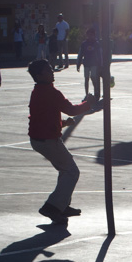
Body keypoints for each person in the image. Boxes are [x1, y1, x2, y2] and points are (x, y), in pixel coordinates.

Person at [27, 59, 95, 226]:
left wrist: (62, 123)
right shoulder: (50, 92)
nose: (51, 71)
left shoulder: (38, 91)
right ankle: (52, 207)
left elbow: (42, 116)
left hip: (39, 139)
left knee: (66, 170)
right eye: (48, 69)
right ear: (39, 75)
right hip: (47, 140)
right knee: (72, 171)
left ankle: (62, 205)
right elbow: (72, 109)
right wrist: (89, 103)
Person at [76, 26, 102, 100]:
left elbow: (99, 55)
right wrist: (78, 64)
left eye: (91, 35)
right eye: (88, 35)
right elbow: (80, 54)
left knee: (93, 77)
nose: (90, 37)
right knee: (86, 78)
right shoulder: (84, 44)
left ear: (94, 35)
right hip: (86, 63)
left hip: (94, 63)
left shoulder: (96, 44)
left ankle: (96, 90)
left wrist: (100, 64)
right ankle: (86, 93)